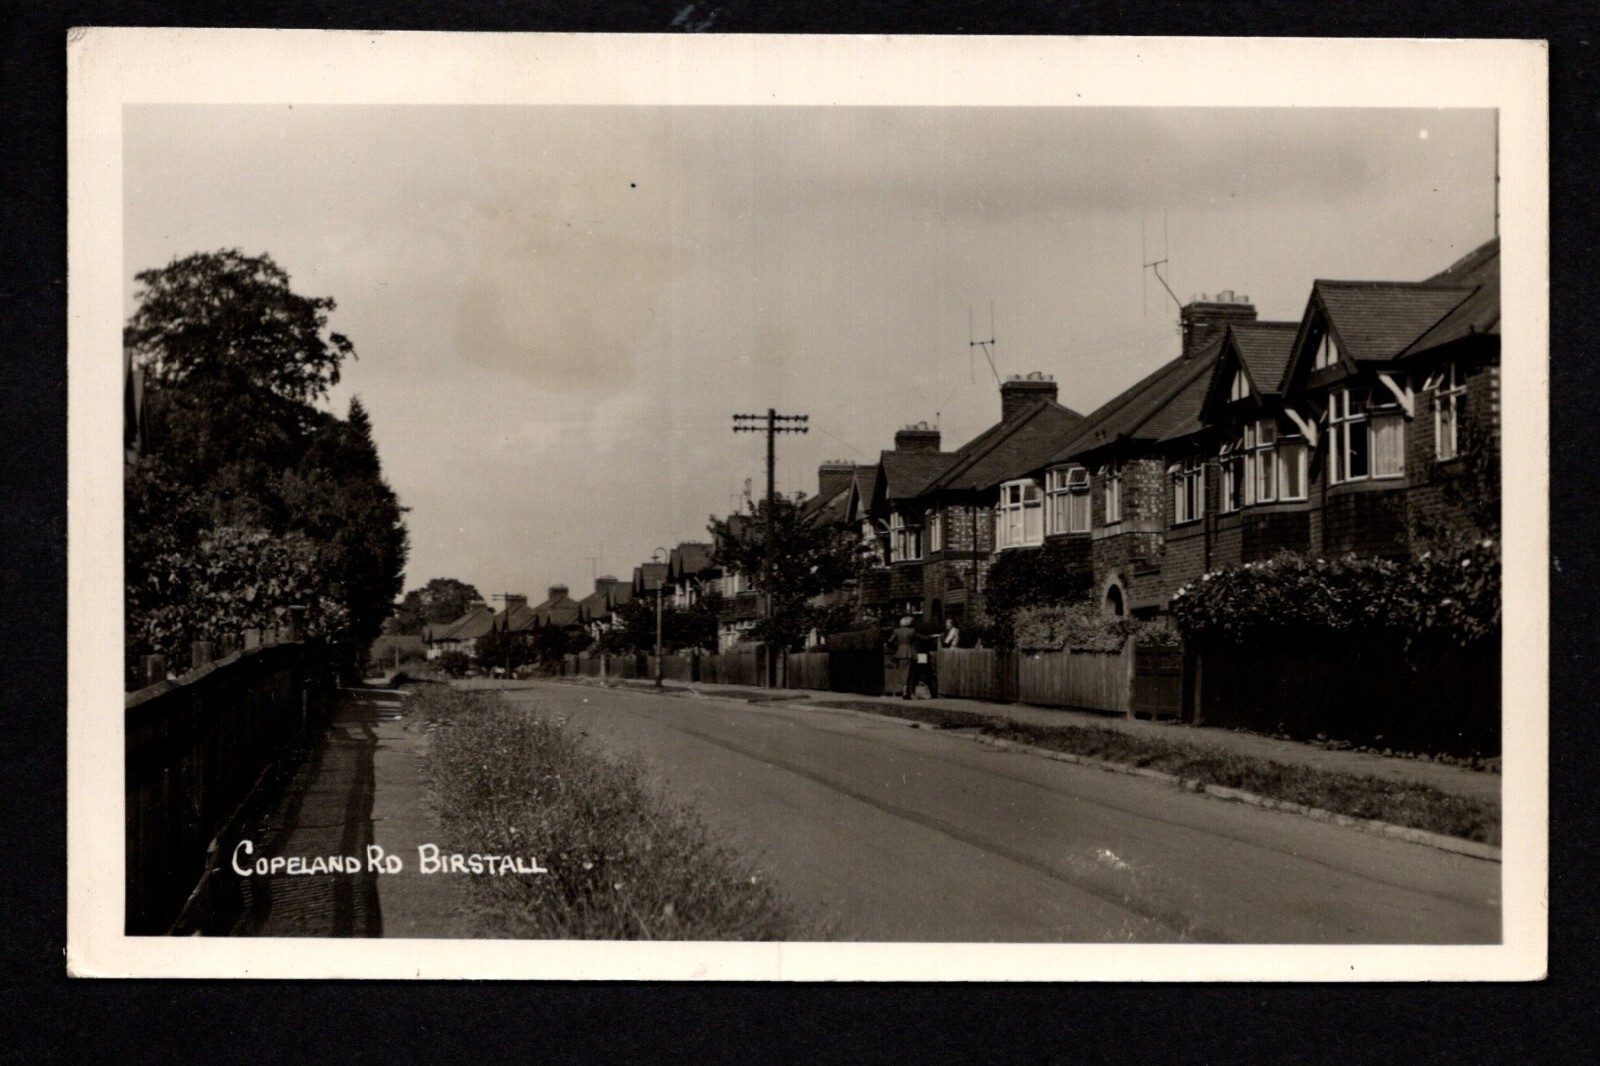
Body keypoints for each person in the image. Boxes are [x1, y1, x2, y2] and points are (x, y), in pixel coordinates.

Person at [887, 615, 918, 699]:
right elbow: (917, 641)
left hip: (899, 653)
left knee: (901, 671)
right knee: (909, 672)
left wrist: (896, 648)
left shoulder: (897, 631)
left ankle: (903, 688)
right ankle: (907, 690)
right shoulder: (912, 631)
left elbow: (890, 641)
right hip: (909, 653)